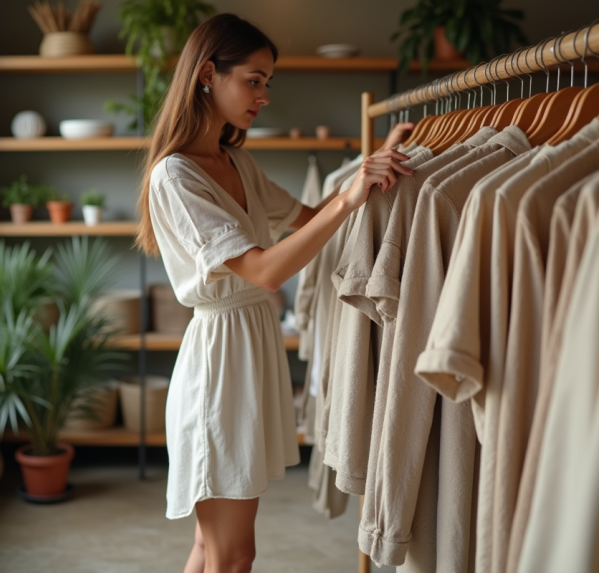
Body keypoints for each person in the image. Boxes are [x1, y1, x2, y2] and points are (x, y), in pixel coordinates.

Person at [136, 13, 414, 573]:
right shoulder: (176, 175)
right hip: (219, 362)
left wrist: (369, 175)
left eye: (268, 82)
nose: (264, 96)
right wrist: (349, 196)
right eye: (254, 80)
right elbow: (264, 270)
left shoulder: (235, 160)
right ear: (208, 75)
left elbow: (308, 219)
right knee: (234, 555)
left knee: (211, 548)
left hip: (247, 351)